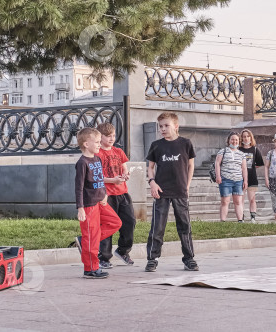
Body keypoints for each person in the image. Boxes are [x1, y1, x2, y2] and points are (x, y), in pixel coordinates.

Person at [145, 112, 197, 272]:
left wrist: (187, 186)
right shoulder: (156, 145)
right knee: (158, 226)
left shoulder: (185, 143)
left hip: (180, 191)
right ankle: (152, 259)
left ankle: (189, 258)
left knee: (184, 225)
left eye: (166, 125)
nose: (163, 129)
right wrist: (152, 183)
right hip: (161, 191)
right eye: (160, 126)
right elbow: (150, 167)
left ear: (176, 126)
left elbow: (190, 166)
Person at [74, 127, 122, 279]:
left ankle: (84, 242)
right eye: (96, 142)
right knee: (92, 238)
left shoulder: (97, 158)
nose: (99, 144)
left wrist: (105, 193)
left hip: (101, 202)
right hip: (88, 206)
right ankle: (90, 269)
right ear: (86, 144)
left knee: (116, 223)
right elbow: (79, 187)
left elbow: (100, 179)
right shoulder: (82, 163)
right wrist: (80, 208)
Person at [95, 123, 136, 268]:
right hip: (106, 195)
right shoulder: (97, 154)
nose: (111, 138)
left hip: (122, 193)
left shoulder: (118, 151)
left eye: (113, 135)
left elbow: (124, 167)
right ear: (100, 137)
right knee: (108, 225)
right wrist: (113, 180)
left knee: (130, 222)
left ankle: (123, 251)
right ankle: (104, 257)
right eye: (108, 136)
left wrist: (125, 175)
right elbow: (96, 177)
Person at [216, 132, 248, 222]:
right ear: (229, 140)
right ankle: (223, 221)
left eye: (236, 140)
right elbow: (217, 163)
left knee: (238, 201)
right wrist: (218, 176)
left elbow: (244, 168)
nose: (234, 141)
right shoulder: (223, 151)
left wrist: (245, 181)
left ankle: (240, 220)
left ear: (239, 141)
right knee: (225, 201)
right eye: (232, 139)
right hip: (225, 179)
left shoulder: (242, 154)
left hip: (238, 180)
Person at [239, 129, 264, 223]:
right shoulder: (239, 149)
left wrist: (251, 167)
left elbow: (259, 163)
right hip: (240, 178)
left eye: (247, 136)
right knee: (240, 199)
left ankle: (253, 217)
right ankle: (241, 217)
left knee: (252, 199)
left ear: (251, 137)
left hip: (252, 177)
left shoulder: (254, 149)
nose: (246, 138)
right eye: (244, 136)